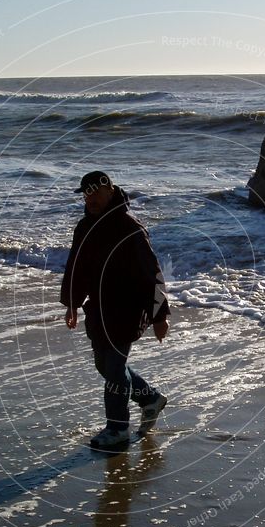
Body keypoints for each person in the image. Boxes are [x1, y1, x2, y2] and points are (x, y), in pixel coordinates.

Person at [61, 171, 170, 449]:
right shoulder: (84, 227)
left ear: (110, 191)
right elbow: (77, 267)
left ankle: (117, 428)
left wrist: (159, 316)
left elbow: (152, 272)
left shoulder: (129, 227)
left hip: (129, 307)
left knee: (114, 365)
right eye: (87, 194)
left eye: (96, 192)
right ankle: (149, 398)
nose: (91, 198)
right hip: (98, 306)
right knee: (104, 365)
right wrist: (72, 303)